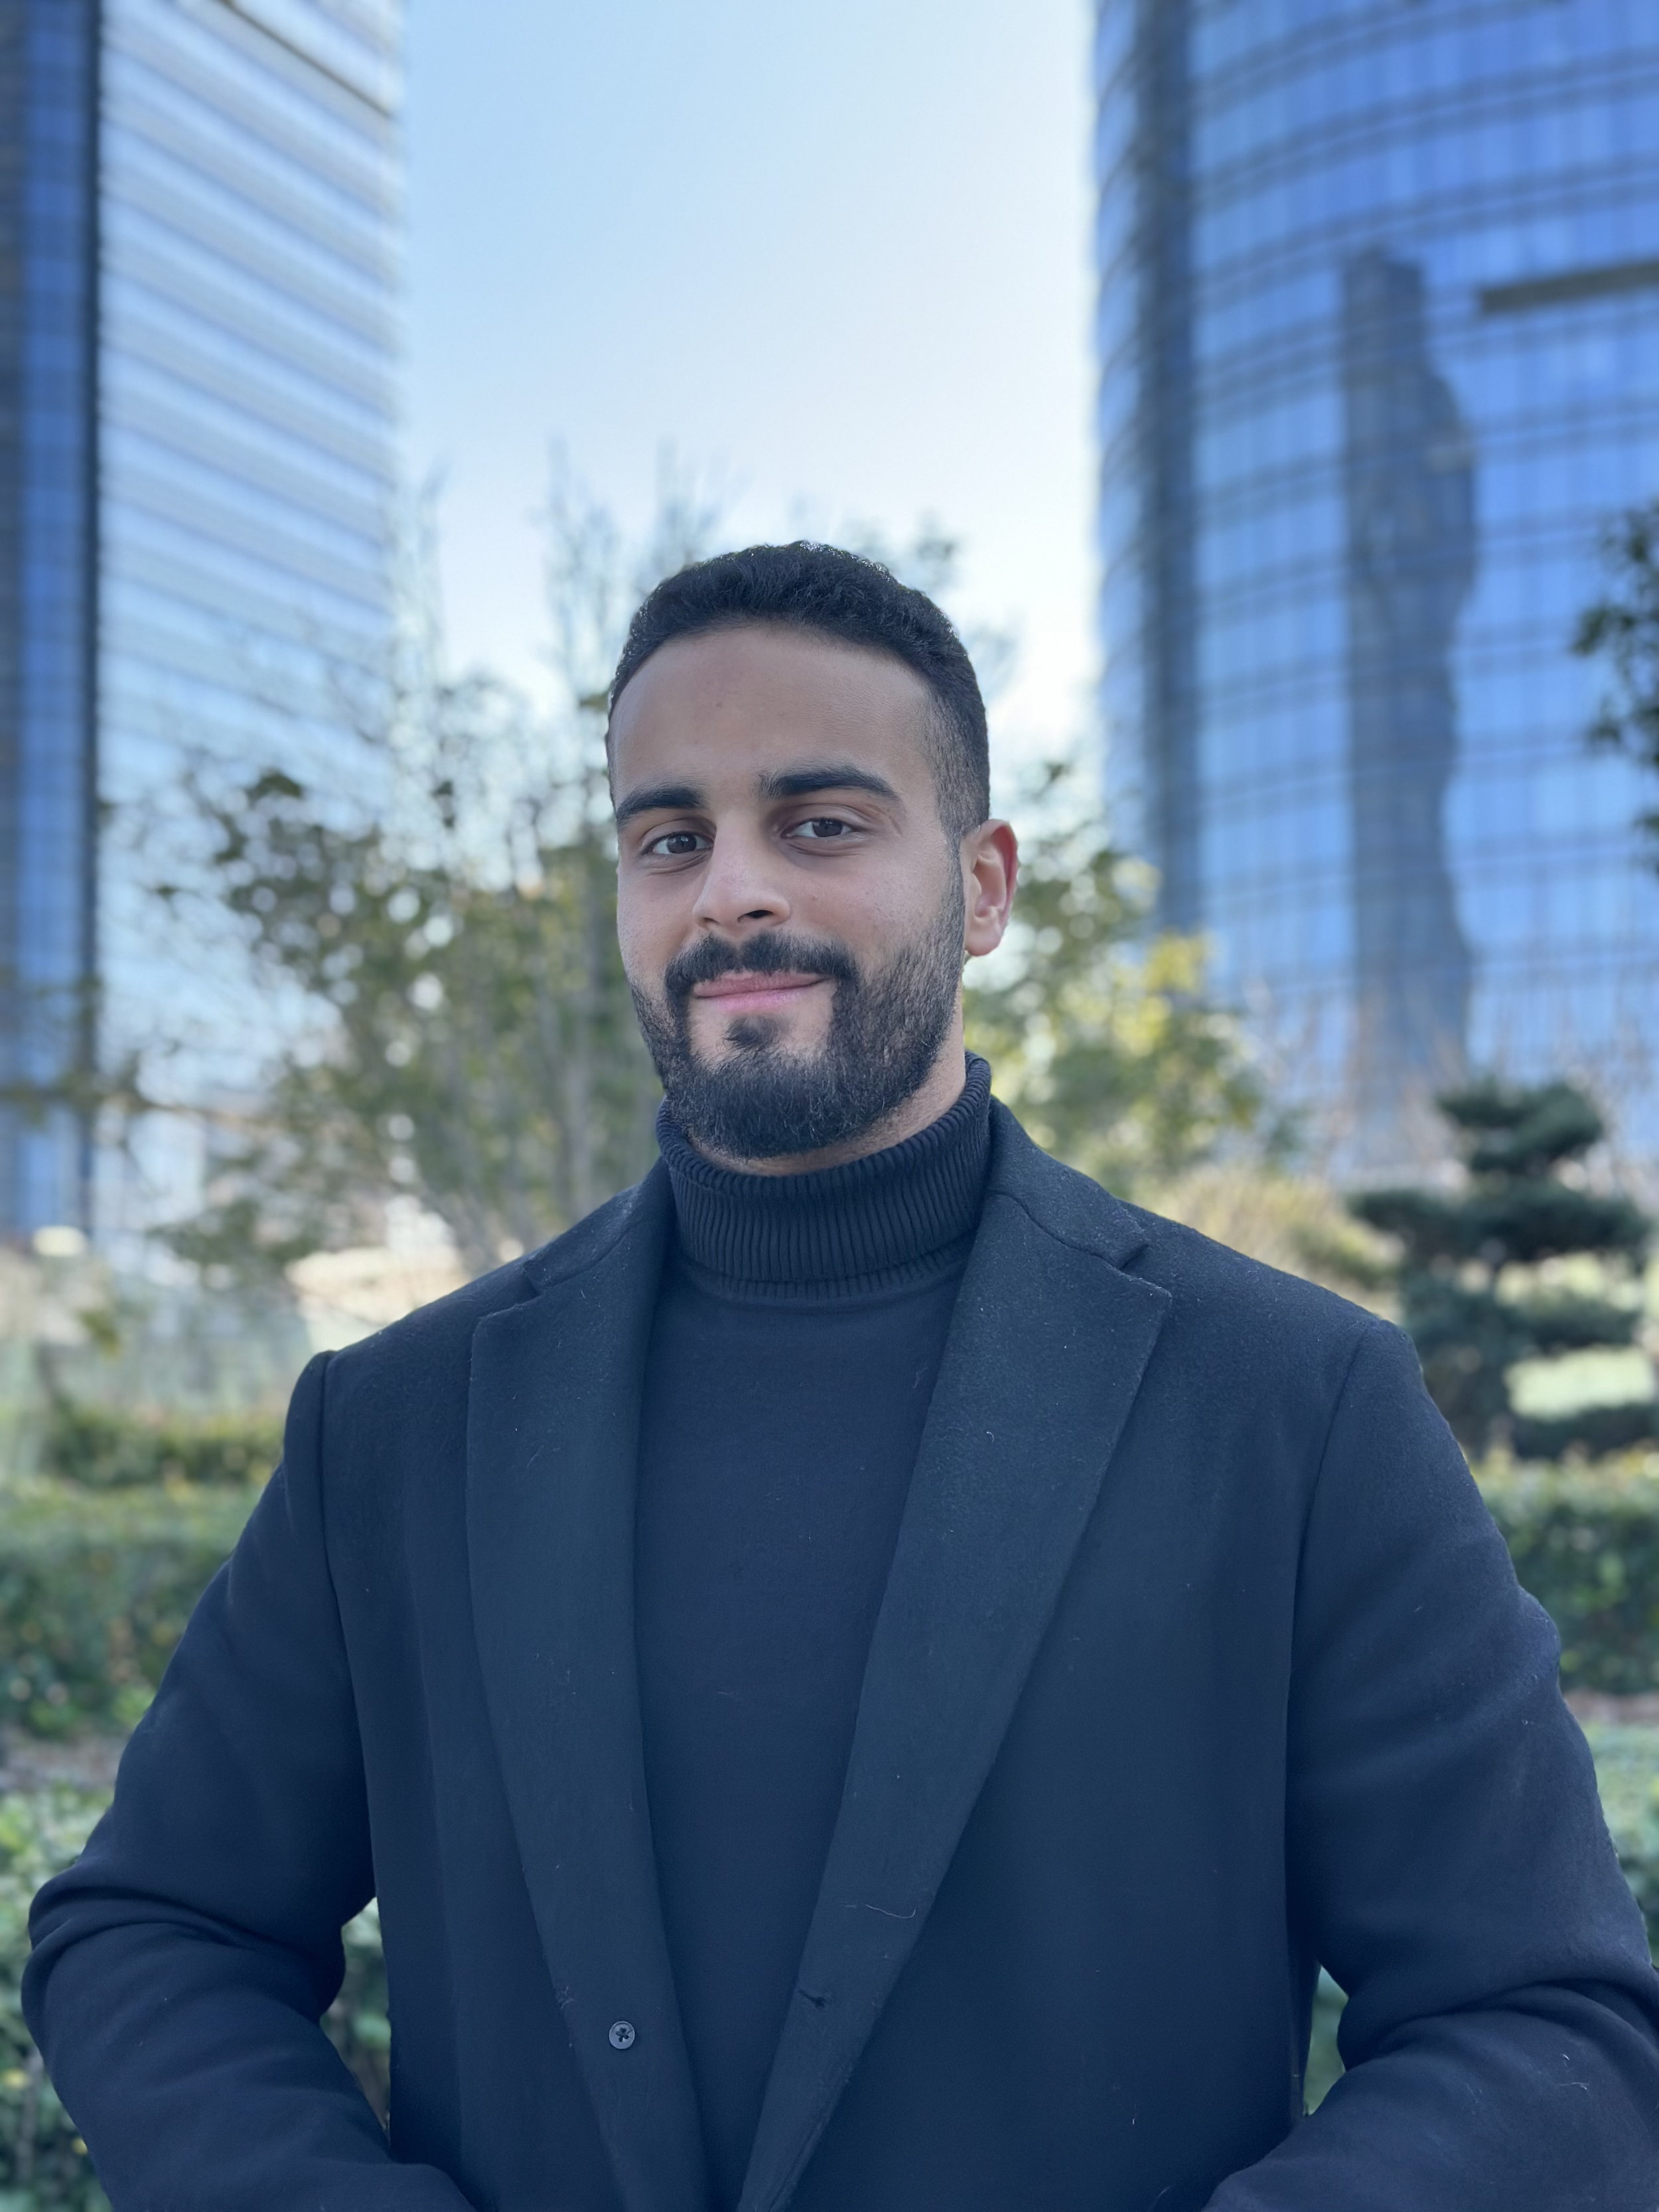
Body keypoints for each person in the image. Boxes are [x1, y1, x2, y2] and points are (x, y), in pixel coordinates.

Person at [26, 544, 1659, 2212]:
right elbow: (154, 1931)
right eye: (670, 837)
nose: (731, 889)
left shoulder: (1297, 1408)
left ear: (982, 886)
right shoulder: (394, 1426)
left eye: (817, 823)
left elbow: (1542, 2022)